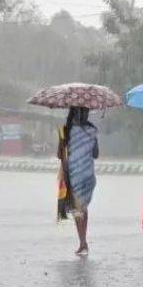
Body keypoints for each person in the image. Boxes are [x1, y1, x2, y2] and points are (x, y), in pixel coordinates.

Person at [57, 106, 98, 256]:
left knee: (77, 209)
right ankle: (83, 241)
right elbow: (96, 154)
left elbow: (61, 155)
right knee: (83, 208)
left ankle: (82, 243)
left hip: (73, 173)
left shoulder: (65, 131)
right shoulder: (92, 130)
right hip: (88, 174)